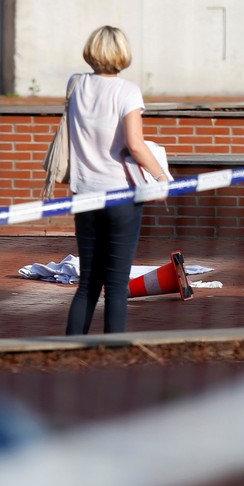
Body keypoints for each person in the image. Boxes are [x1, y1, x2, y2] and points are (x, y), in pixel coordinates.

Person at [65, 25, 169, 335]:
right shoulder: (127, 91)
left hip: (84, 194)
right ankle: (113, 358)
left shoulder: (75, 85)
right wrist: (162, 177)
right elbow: (135, 145)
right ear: (123, 53)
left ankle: (69, 350)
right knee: (116, 284)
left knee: (87, 284)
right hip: (121, 196)